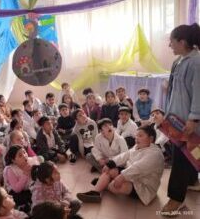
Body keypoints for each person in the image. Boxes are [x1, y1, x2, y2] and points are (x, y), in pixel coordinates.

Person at [161, 23, 200, 215]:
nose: (170, 45)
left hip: (188, 121)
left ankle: (175, 199)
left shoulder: (196, 62)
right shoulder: (179, 61)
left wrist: (194, 119)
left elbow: (199, 92)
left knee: (181, 159)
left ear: (182, 42)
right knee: (192, 153)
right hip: (177, 118)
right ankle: (193, 181)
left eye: (172, 42)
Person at [77, 125, 164, 206]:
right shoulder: (139, 146)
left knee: (115, 186)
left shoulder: (155, 154)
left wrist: (122, 176)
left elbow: (138, 167)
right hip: (131, 175)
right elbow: (125, 155)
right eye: (136, 135)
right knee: (109, 170)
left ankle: (105, 184)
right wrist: (111, 163)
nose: (136, 138)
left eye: (140, 136)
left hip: (144, 185)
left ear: (151, 138)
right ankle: (95, 193)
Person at [3, 146, 33, 213]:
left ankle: (28, 205)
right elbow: (17, 189)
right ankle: (23, 207)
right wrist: (25, 174)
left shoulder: (30, 162)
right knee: (20, 197)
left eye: (24, 152)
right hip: (15, 192)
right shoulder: (10, 170)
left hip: (28, 188)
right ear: (13, 160)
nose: (24, 155)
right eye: (20, 155)